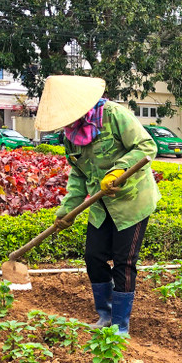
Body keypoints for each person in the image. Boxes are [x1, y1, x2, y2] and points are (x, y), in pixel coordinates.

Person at [34, 75, 160, 334]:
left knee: (124, 263)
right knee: (94, 257)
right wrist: (67, 210)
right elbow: (79, 175)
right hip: (100, 207)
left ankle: (120, 326)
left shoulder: (114, 115)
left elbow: (146, 146)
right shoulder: (70, 136)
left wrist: (118, 171)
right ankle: (105, 315)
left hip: (132, 201)